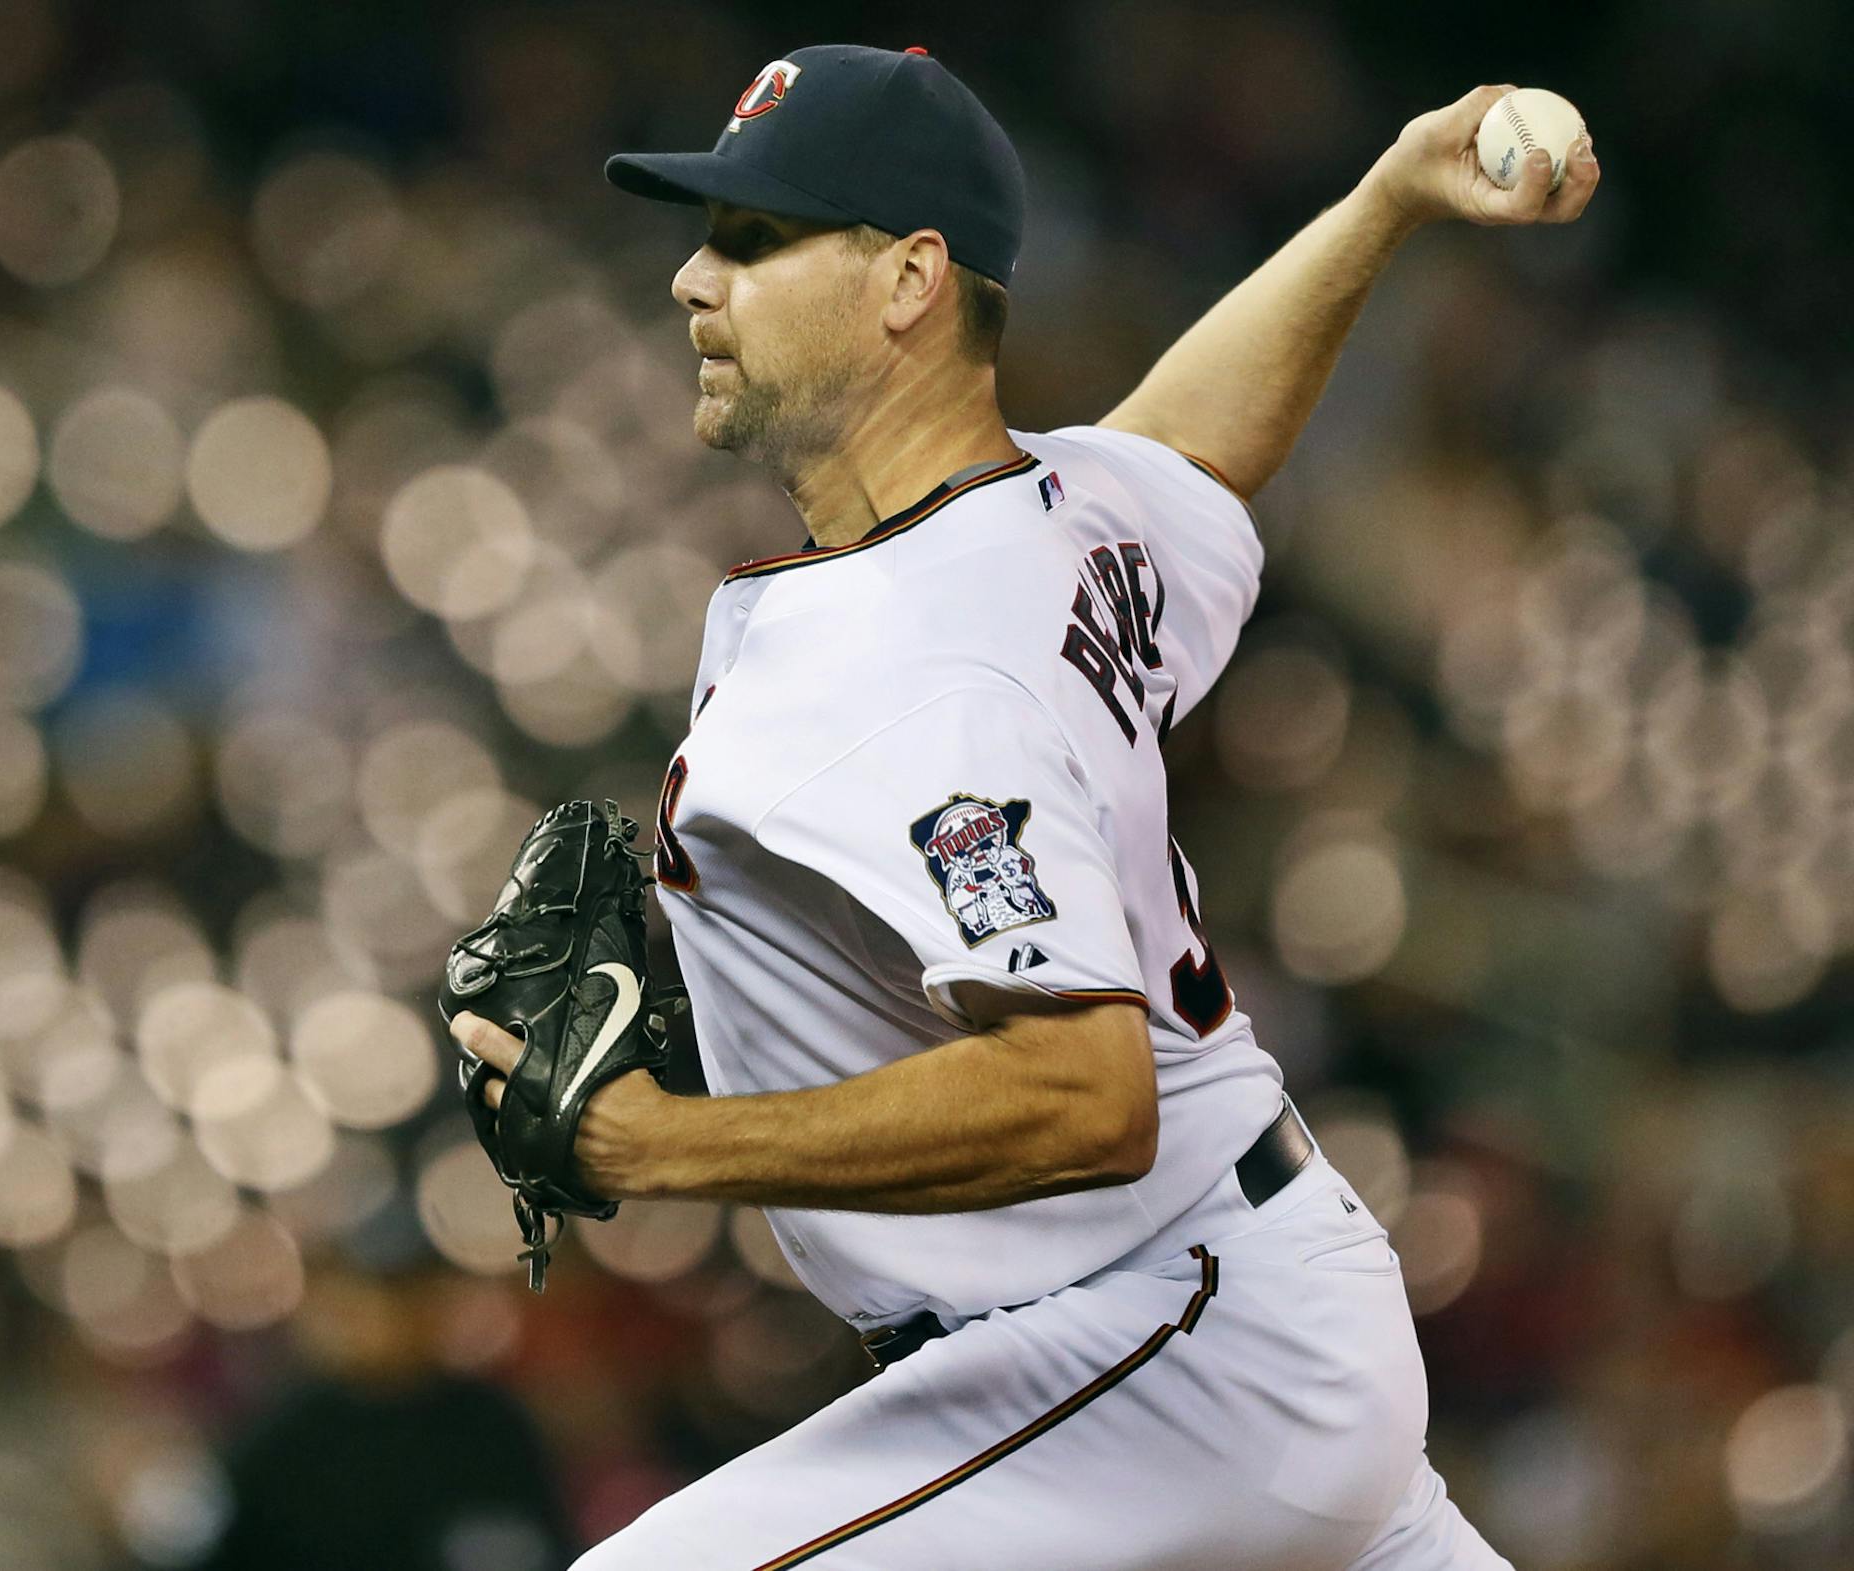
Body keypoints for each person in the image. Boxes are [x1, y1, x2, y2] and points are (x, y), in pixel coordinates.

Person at [452, 42, 1597, 1571]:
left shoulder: (929, 659)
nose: (690, 281)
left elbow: (1084, 1092)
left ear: (911, 278)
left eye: (750, 240)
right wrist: (1383, 201)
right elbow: (1193, 447)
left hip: (1169, 1351)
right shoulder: (1050, 513)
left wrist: (657, 1146)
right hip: (1242, 1313)